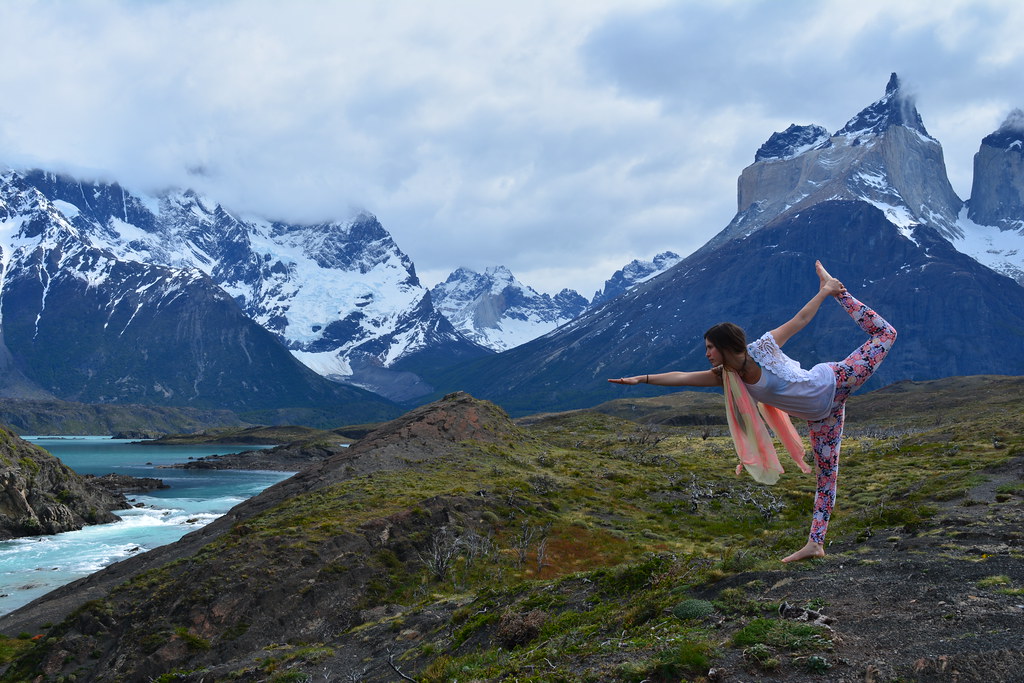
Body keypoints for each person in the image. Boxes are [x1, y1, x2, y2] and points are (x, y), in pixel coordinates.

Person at [609, 261, 897, 563]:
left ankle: (839, 291)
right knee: (826, 477)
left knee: (885, 334)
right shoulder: (727, 376)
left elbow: (800, 319)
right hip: (823, 416)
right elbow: (682, 377)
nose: (706, 354)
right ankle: (815, 544)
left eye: (710, 347)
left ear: (725, 346)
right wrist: (641, 379)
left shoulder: (763, 349)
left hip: (835, 380)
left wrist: (826, 292)